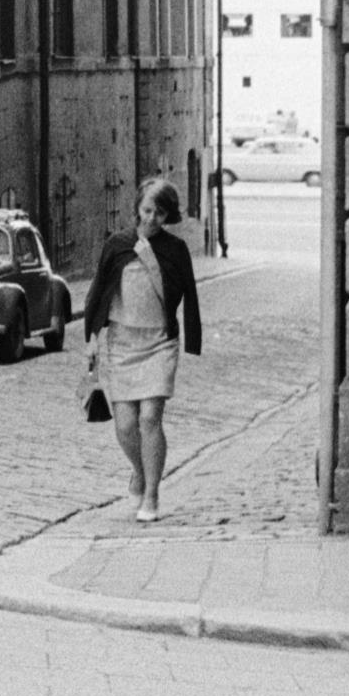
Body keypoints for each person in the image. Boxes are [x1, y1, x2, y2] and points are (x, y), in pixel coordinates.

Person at [84, 176, 205, 522]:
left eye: (160, 213)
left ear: (169, 215)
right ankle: (140, 470)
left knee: (150, 417)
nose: (153, 218)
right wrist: (91, 337)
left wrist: (192, 338)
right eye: (148, 210)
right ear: (138, 207)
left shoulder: (175, 249)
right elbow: (98, 291)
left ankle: (151, 494)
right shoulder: (117, 244)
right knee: (125, 425)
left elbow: (189, 293)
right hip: (122, 343)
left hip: (159, 342)